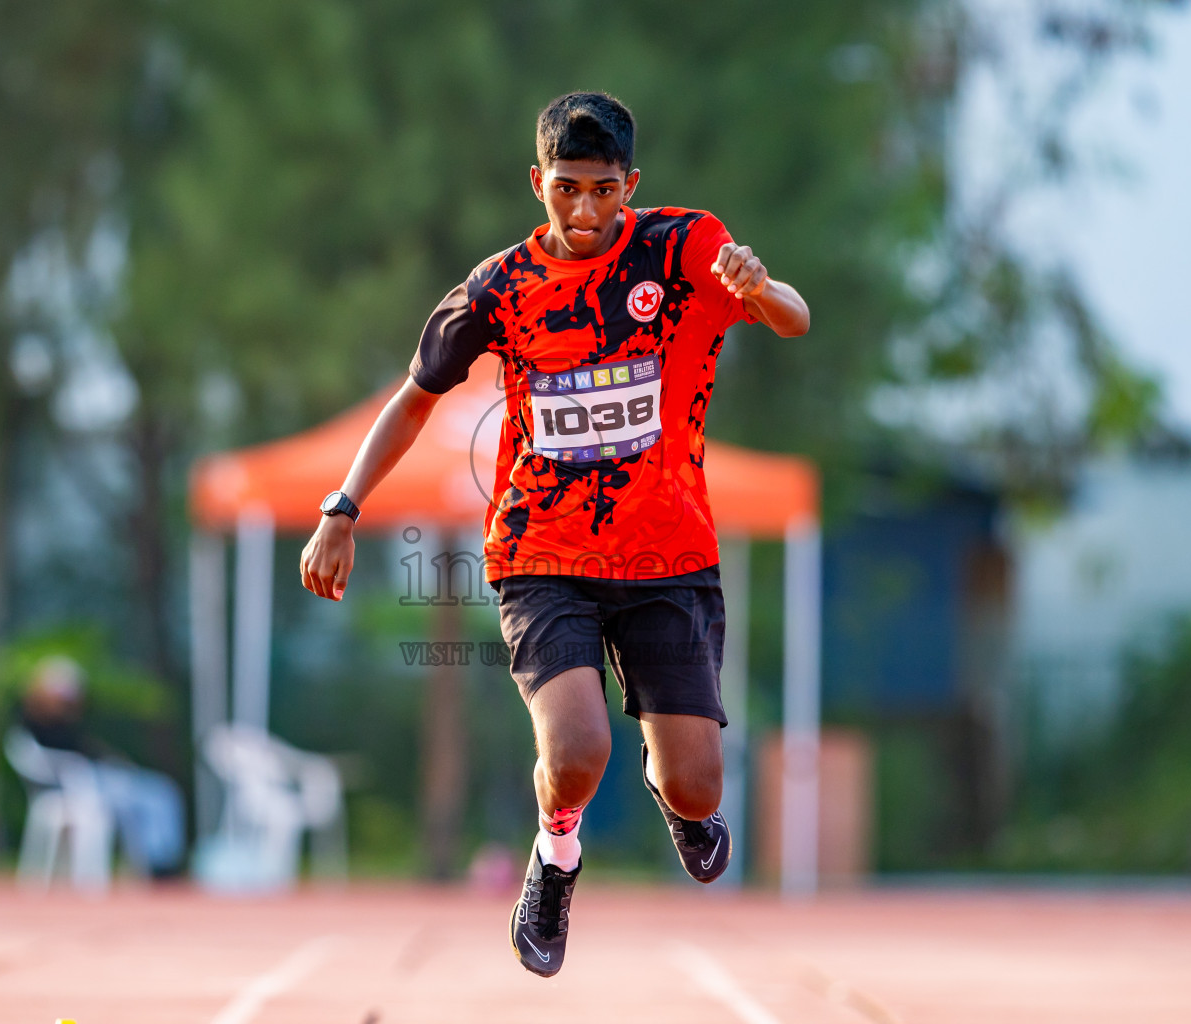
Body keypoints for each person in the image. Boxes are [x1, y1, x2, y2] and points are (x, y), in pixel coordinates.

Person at [299, 92, 810, 976]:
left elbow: (795, 319)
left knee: (697, 786)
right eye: (566, 189)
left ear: (631, 185)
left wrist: (760, 288)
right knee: (575, 754)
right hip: (544, 554)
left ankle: (675, 791)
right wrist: (341, 508)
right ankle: (556, 855)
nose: (585, 211)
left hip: (668, 555)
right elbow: (413, 401)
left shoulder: (683, 246)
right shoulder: (499, 288)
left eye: (604, 190)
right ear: (538, 182)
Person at [19, 655, 186, 879]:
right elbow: (68, 759)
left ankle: (162, 859)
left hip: (99, 777)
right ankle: (159, 866)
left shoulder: (74, 720)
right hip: (82, 785)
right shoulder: (34, 723)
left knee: (161, 790)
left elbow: (91, 750)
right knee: (150, 798)